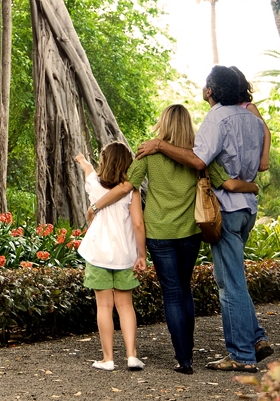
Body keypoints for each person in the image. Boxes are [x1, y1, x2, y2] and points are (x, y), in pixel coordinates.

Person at [90, 105, 258, 374]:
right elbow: (228, 184)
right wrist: (254, 186)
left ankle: (185, 359)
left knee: (172, 293)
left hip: (158, 233)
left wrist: (96, 206)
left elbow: (125, 186)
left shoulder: (148, 154)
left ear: (164, 124)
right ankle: (186, 354)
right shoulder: (199, 157)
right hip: (190, 232)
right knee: (184, 289)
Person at [136, 65, 273, 373]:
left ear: (210, 91)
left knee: (229, 284)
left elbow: (198, 160)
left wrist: (159, 144)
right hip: (247, 207)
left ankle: (241, 354)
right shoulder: (253, 119)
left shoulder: (217, 118)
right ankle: (256, 339)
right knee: (236, 278)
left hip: (223, 210)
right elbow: (262, 165)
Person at [74, 142, 147, 372]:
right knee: (125, 305)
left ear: (104, 161)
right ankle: (132, 355)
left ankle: (108, 359)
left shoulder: (95, 183)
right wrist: (142, 254)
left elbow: (88, 171)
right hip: (125, 254)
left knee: (104, 306)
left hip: (98, 254)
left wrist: (83, 161)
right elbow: (137, 223)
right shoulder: (131, 189)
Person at [231, 66, 271, 172]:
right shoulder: (225, 109)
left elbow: (266, 132)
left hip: (247, 158)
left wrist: (265, 156)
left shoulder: (249, 107)